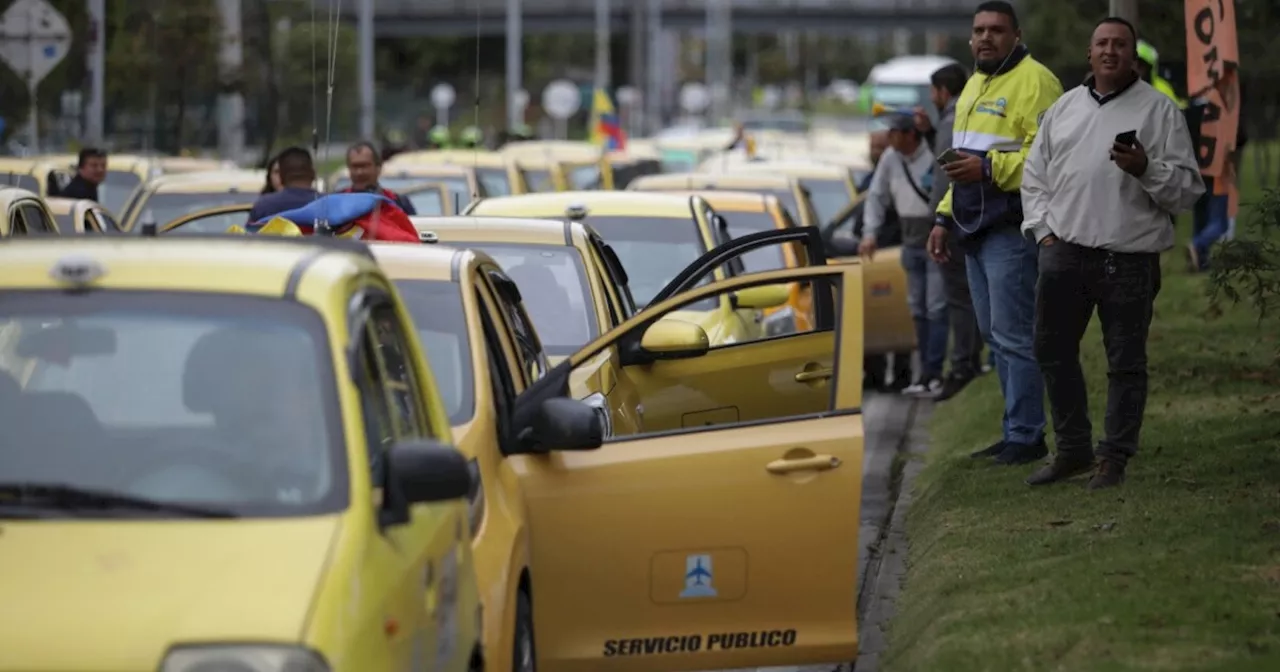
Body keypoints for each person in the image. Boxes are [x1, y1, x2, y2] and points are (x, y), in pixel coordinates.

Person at [1021, 17, 1203, 489]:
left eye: (1120, 44)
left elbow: (1186, 192)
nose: (1109, 51)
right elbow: (1034, 177)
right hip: (1064, 253)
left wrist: (1146, 168)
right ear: (1089, 54)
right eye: (1101, 43)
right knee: (1052, 350)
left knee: (1125, 363)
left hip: (1129, 259)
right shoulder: (1064, 109)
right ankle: (1074, 449)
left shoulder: (1160, 111)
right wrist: (1043, 234)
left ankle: (1114, 457)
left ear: (1133, 55)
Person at [927, 0, 1063, 464]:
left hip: (1011, 225)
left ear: (1016, 36)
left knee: (1014, 334)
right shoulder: (973, 86)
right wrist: (943, 218)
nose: (986, 37)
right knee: (993, 333)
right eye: (979, 30)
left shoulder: (1037, 82)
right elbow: (960, 165)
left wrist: (988, 169)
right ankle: (1015, 430)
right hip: (972, 227)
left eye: (997, 30)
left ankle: (1027, 437)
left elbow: (1049, 160)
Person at [859, 114, 948, 397]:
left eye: (895, 133)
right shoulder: (890, 159)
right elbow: (876, 195)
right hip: (909, 242)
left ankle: (934, 372)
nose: (889, 139)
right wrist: (869, 233)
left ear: (911, 134)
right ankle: (923, 373)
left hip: (934, 238)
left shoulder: (933, 153)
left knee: (936, 308)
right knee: (917, 310)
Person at [916, 62, 986, 401]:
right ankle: (972, 361)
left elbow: (946, 175)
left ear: (944, 91)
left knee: (959, 297)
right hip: (974, 213)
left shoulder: (952, 117)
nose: (932, 97)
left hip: (955, 216)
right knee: (970, 295)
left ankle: (962, 366)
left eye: (933, 91)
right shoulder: (972, 109)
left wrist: (938, 220)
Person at [247, 147, 320, 223]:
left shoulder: (263, 206)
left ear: (281, 176)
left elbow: (248, 232)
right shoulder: (329, 205)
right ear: (313, 173)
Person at [341, 141, 416, 215]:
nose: (359, 172)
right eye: (355, 166)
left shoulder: (398, 203)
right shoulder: (338, 203)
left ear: (378, 168)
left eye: (364, 166)